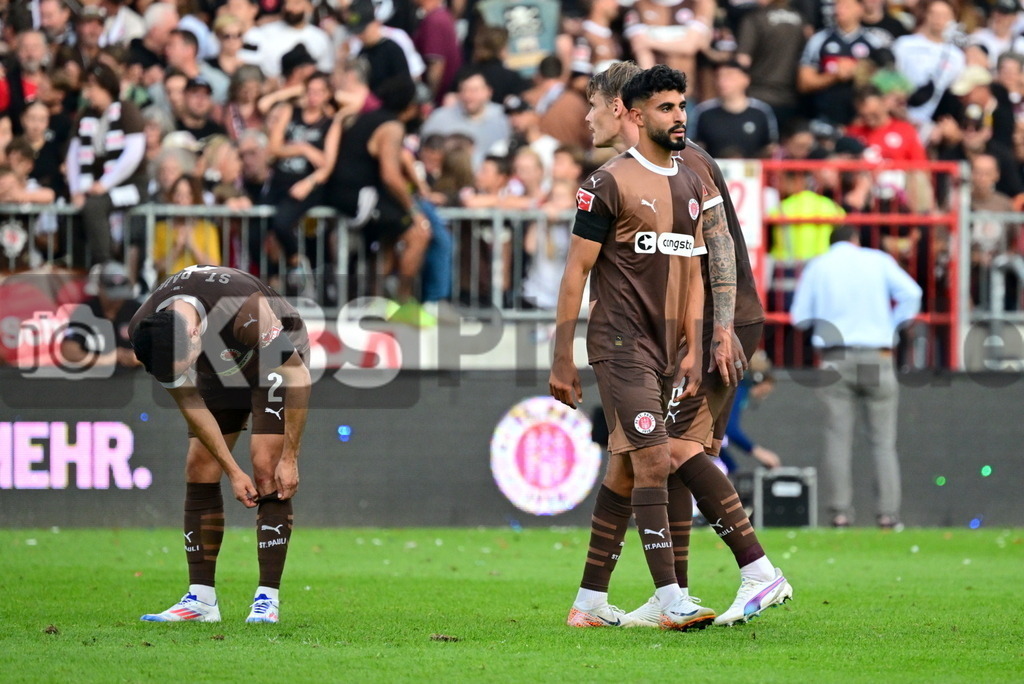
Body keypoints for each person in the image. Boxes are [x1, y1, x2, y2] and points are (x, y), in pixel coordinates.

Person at [577, 61, 791, 630]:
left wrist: (719, 329)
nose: (588, 117)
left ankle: (755, 569)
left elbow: (715, 250)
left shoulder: (683, 162)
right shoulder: (636, 169)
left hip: (704, 325)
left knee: (671, 452)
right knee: (640, 461)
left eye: (594, 104)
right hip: (677, 325)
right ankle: (626, 598)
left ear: (623, 106)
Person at [549, 64, 711, 631]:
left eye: (682, 106)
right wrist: (561, 355)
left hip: (667, 351)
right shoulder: (605, 183)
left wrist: (693, 345)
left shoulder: (689, 184)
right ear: (637, 116)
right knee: (653, 461)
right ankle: (672, 600)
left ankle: (589, 604)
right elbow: (576, 273)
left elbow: (691, 272)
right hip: (620, 344)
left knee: (623, 473)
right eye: (667, 108)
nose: (679, 117)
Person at [128, 265, 312, 623]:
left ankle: (267, 599)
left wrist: (290, 457)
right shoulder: (146, 330)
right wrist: (230, 469)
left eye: (185, 363)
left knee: (265, 466)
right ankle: (201, 601)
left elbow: (298, 375)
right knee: (200, 464)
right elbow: (190, 402)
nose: (182, 371)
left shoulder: (243, 307)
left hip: (271, 357)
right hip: (218, 362)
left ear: (194, 332)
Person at [789, 225, 922, 528]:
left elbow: (798, 318)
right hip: (877, 355)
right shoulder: (877, 260)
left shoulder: (818, 266)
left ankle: (839, 513)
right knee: (883, 441)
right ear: (855, 239)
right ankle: (888, 514)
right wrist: (892, 325)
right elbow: (912, 293)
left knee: (837, 439)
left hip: (835, 358)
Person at [66, 62, 147, 269]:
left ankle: (105, 264)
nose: (88, 93)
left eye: (92, 87)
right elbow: (74, 154)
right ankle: (78, 266)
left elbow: (133, 153)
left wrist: (105, 184)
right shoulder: (85, 115)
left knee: (95, 205)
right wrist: (76, 190)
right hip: (96, 186)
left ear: (106, 87)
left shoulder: (126, 110)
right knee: (78, 208)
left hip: (131, 186)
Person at [59, 261, 142, 369]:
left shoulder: (137, 310)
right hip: (94, 378)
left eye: (120, 295)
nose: (116, 300)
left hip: (132, 377)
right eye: (112, 296)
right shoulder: (85, 311)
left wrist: (140, 357)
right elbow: (69, 351)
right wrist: (104, 359)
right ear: (100, 288)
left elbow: (158, 347)